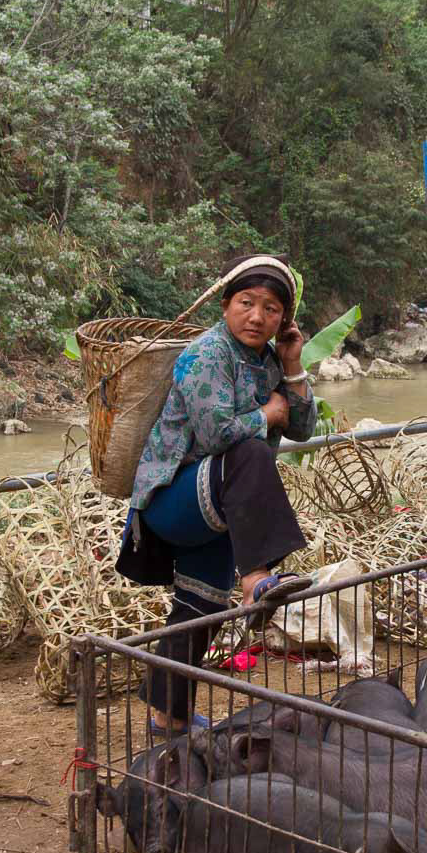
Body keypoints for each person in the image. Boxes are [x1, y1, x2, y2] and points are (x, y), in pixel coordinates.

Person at [115, 254, 317, 735]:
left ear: (283, 320)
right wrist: (267, 415)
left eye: (271, 309)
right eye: (247, 303)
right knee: (251, 451)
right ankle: (256, 578)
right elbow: (215, 435)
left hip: (222, 504)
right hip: (173, 498)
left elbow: (304, 428)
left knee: (199, 607)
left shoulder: (268, 360)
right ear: (226, 305)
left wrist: (292, 364)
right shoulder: (207, 354)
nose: (257, 317)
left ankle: (169, 718)